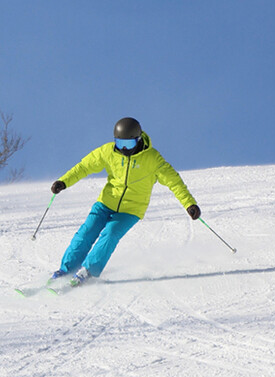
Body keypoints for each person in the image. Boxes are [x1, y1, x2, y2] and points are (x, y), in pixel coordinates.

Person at [49, 117, 201, 287]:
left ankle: (88, 271)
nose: (123, 149)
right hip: (106, 203)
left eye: (128, 145)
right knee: (86, 232)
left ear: (138, 139)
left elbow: (174, 182)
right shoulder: (108, 151)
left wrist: (189, 204)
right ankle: (66, 269)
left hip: (132, 209)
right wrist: (64, 181)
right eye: (119, 143)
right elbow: (84, 166)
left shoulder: (152, 159)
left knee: (111, 233)